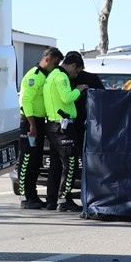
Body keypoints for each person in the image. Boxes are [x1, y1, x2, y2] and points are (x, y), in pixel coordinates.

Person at [16, 47, 62, 209]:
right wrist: (33, 125)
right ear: (48, 59)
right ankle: (25, 197)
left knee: (35, 162)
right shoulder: (34, 76)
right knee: (27, 160)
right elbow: (26, 101)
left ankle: (32, 195)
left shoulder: (46, 76)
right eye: (55, 63)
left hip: (39, 121)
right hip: (30, 122)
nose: (56, 67)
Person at [42, 52, 87, 212]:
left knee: (56, 164)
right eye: (77, 71)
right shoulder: (61, 77)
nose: (76, 75)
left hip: (53, 125)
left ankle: (51, 200)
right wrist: (79, 89)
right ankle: (64, 199)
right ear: (74, 66)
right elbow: (67, 97)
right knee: (71, 162)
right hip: (63, 126)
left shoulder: (51, 75)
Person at [69, 51, 105, 209]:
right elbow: (105, 100)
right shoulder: (64, 78)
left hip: (71, 126)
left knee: (69, 164)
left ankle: (62, 198)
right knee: (82, 164)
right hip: (88, 127)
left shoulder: (61, 77)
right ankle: (86, 196)